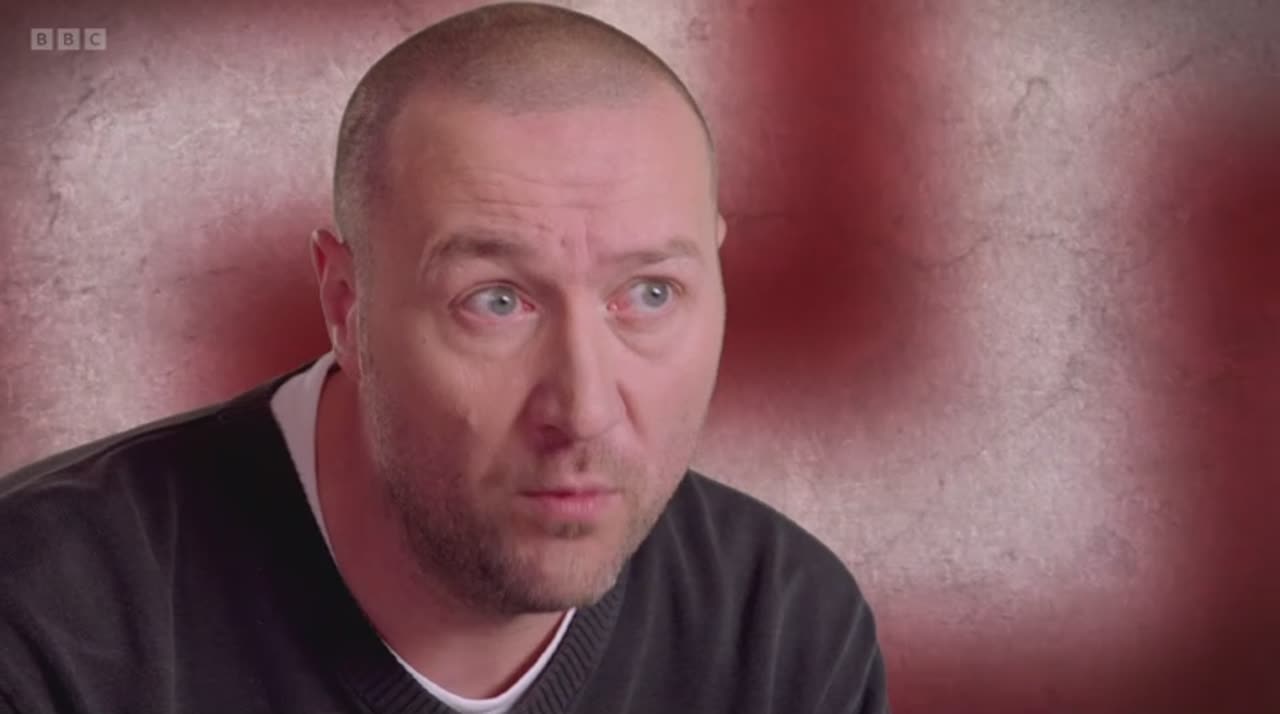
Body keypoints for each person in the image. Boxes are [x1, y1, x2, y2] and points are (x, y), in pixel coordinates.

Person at [0, 3, 889, 713]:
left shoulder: (781, 632)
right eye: (496, 302)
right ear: (345, 305)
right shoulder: (47, 624)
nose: (584, 410)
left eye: (649, 294)